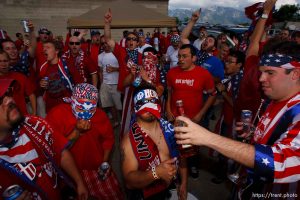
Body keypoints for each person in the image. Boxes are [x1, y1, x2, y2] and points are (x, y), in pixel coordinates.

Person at [175, 41, 300, 198]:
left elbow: (281, 163)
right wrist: (256, 134)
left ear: (295, 73)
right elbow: (279, 137)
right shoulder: (277, 99)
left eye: (270, 72)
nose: (261, 78)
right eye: (261, 72)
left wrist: (207, 138)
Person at [0, 79, 88, 200]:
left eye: (8, 93)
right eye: (0, 100)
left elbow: (60, 152)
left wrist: (79, 182)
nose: (10, 100)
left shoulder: (35, 123)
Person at [46, 83, 124, 199]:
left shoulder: (100, 115)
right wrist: (77, 131)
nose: (86, 113)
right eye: (80, 107)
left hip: (96, 169)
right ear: (72, 101)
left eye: (91, 109)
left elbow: (108, 140)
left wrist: (104, 162)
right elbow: (55, 150)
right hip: (69, 173)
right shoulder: (56, 115)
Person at [120, 84, 187, 200]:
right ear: (135, 107)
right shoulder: (129, 142)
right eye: (143, 103)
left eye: (152, 102)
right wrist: (156, 173)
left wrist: (184, 183)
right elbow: (129, 181)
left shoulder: (170, 129)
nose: (149, 108)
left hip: (169, 186)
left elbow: (182, 157)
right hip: (145, 193)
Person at [166, 44, 216, 179]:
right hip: (175, 118)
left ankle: (193, 165)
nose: (180, 59)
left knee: (192, 145)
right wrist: (168, 109)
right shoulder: (171, 72)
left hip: (193, 120)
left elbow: (212, 94)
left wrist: (201, 114)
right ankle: (175, 169)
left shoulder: (204, 74)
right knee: (174, 145)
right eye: (179, 57)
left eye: (184, 56)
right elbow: (169, 92)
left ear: (194, 58)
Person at [104, 8, 143, 137]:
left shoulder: (142, 55)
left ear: (137, 42)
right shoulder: (121, 52)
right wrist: (107, 23)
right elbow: (108, 39)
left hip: (140, 89)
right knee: (126, 118)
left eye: (134, 39)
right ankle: (125, 141)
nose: (131, 41)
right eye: (129, 39)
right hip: (127, 90)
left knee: (139, 117)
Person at [39, 40, 83, 113]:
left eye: (48, 47)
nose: (44, 49)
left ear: (56, 51)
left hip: (68, 107)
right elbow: (40, 91)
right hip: (51, 108)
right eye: (43, 47)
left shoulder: (68, 64)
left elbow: (80, 83)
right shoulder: (43, 68)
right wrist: (41, 85)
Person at [181, 10, 224, 83]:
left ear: (214, 48)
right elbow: (183, 38)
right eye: (205, 40)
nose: (206, 41)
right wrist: (193, 20)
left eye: (210, 41)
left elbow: (219, 80)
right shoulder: (195, 52)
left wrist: (203, 76)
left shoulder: (216, 62)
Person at [0, 50, 36, 115]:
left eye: (5, 61)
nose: (3, 64)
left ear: (9, 62)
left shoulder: (20, 77)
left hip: (21, 117)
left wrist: (34, 113)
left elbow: (31, 95)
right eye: (0, 61)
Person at [98, 36, 122, 127]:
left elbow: (125, 69)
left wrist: (115, 69)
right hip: (105, 83)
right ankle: (116, 121)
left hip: (116, 83)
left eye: (106, 42)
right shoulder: (100, 56)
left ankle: (123, 120)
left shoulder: (116, 54)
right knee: (110, 105)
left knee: (119, 105)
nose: (105, 45)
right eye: (102, 43)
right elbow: (100, 71)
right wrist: (101, 84)